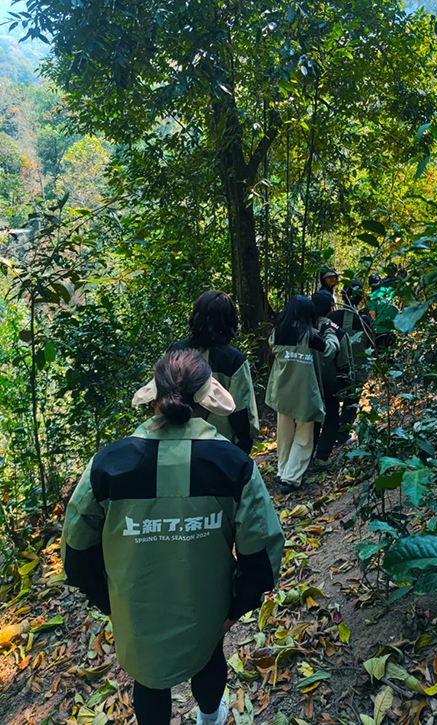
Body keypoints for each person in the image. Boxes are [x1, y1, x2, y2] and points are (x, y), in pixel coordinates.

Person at [62, 350, 284, 725]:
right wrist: (235, 608)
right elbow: (260, 552)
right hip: (206, 603)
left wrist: (109, 602)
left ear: (155, 395)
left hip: (136, 608)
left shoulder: (109, 464)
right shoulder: (231, 464)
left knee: (148, 679)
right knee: (209, 657)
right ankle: (210, 716)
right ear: (207, 399)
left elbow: (77, 550)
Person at [170, 290, 259, 455]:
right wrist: (244, 445)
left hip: (175, 443)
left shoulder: (175, 351)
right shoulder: (233, 359)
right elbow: (241, 411)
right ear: (229, 321)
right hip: (219, 447)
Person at [265, 295, 338, 493]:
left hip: (281, 391)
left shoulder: (277, 333)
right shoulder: (311, 335)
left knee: (284, 434)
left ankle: (282, 471)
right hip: (304, 393)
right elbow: (329, 351)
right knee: (304, 437)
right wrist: (331, 333)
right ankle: (290, 478)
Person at [328, 280, 375, 445]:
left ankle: (329, 434)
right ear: (362, 298)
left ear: (342, 296)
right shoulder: (365, 321)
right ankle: (342, 435)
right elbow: (370, 345)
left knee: (331, 401)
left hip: (332, 370)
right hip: (356, 371)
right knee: (351, 401)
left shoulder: (332, 317)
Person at [310, 291, 354, 464]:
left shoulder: (301, 329)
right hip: (330, 382)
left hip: (307, 382)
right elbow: (344, 361)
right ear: (330, 309)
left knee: (311, 419)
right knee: (332, 417)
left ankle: (304, 457)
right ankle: (322, 456)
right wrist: (347, 383)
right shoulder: (337, 332)